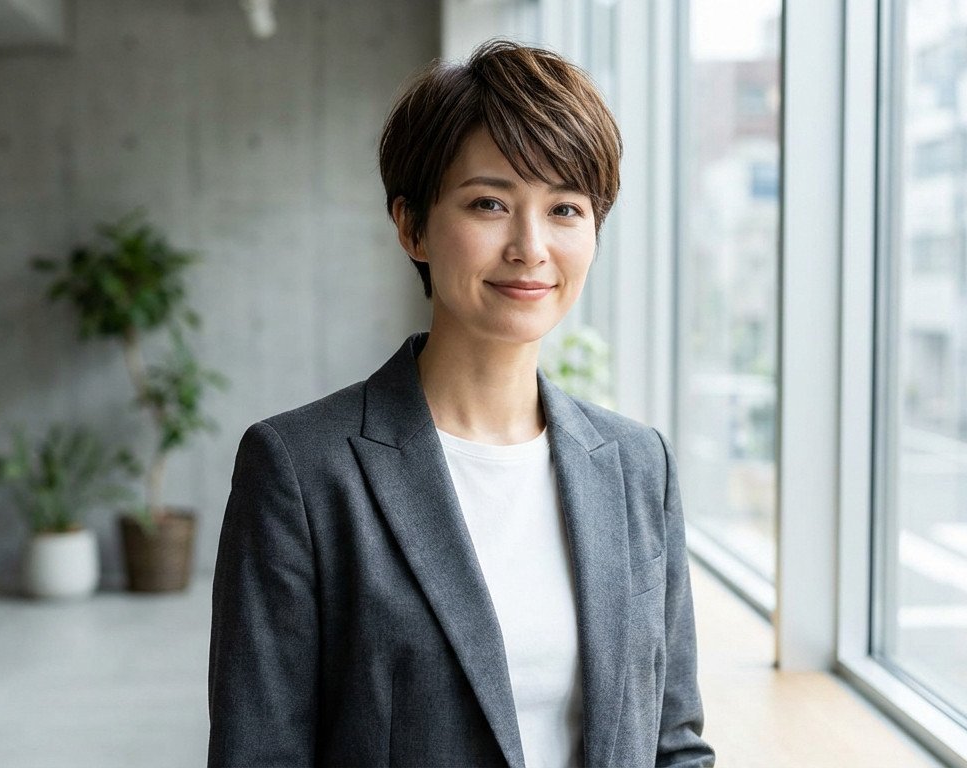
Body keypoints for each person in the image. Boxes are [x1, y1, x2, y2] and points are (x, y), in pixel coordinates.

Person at [208, 39, 714, 768]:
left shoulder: (639, 465)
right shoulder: (301, 471)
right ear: (411, 225)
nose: (530, 246)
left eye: (565, 208)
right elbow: (259, 753)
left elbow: (674, 744)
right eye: (489, 203)